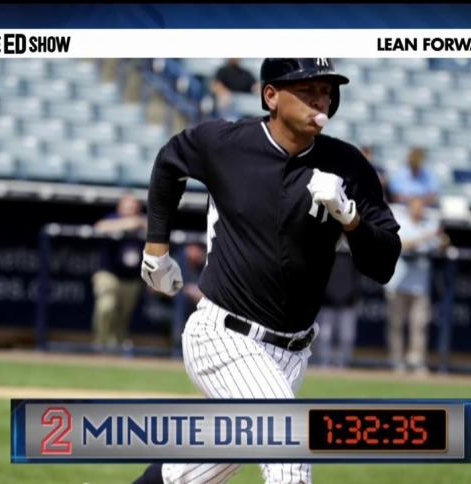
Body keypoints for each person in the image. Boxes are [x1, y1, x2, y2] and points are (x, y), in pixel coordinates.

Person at [133, 58, 401, 484]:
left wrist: (350, 218)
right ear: (271, 96)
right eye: (307, 90)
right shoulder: (226, 143)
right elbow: (170, 161)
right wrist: (156, 248)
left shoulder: (347, 166)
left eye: (326, 91)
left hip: (292, 353)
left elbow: (384, 263)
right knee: (289, 454)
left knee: (193, 470)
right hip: (223, 335)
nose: (321, 100)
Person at [385, 197, 448, 376]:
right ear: (409, 208)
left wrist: (442, 240)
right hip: (397, 284)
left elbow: (441, 245)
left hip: (420, 286)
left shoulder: (429, 224)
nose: (419, 211)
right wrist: (426, 237)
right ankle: (396, 361)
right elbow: (402, 245)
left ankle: (416, 362)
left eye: (421, 208)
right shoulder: (400, 223)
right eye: (416, 207)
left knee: (419, 326)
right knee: (396, 325)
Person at [90, 193, 146, 352]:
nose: (131, 209)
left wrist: (139, 223)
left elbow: (156, 229)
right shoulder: (113, 218)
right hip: (109, 274)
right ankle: (100, 343)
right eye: (127, 206)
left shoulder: (143, 220)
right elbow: (99, 227)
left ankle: (118, 347)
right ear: (120, 207)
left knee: (123, 317)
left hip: (132, 278)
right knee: (106, 306)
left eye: (134, 206)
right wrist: (129, 224)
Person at [314, 242, 361, 367]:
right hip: (327, 302)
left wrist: (352, 296)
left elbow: (357, 279)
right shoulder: (322, 248)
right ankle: (324, 364)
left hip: (348, 302)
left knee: (347, 337)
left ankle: (343, 364)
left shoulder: (354, 249)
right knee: (324, 336)